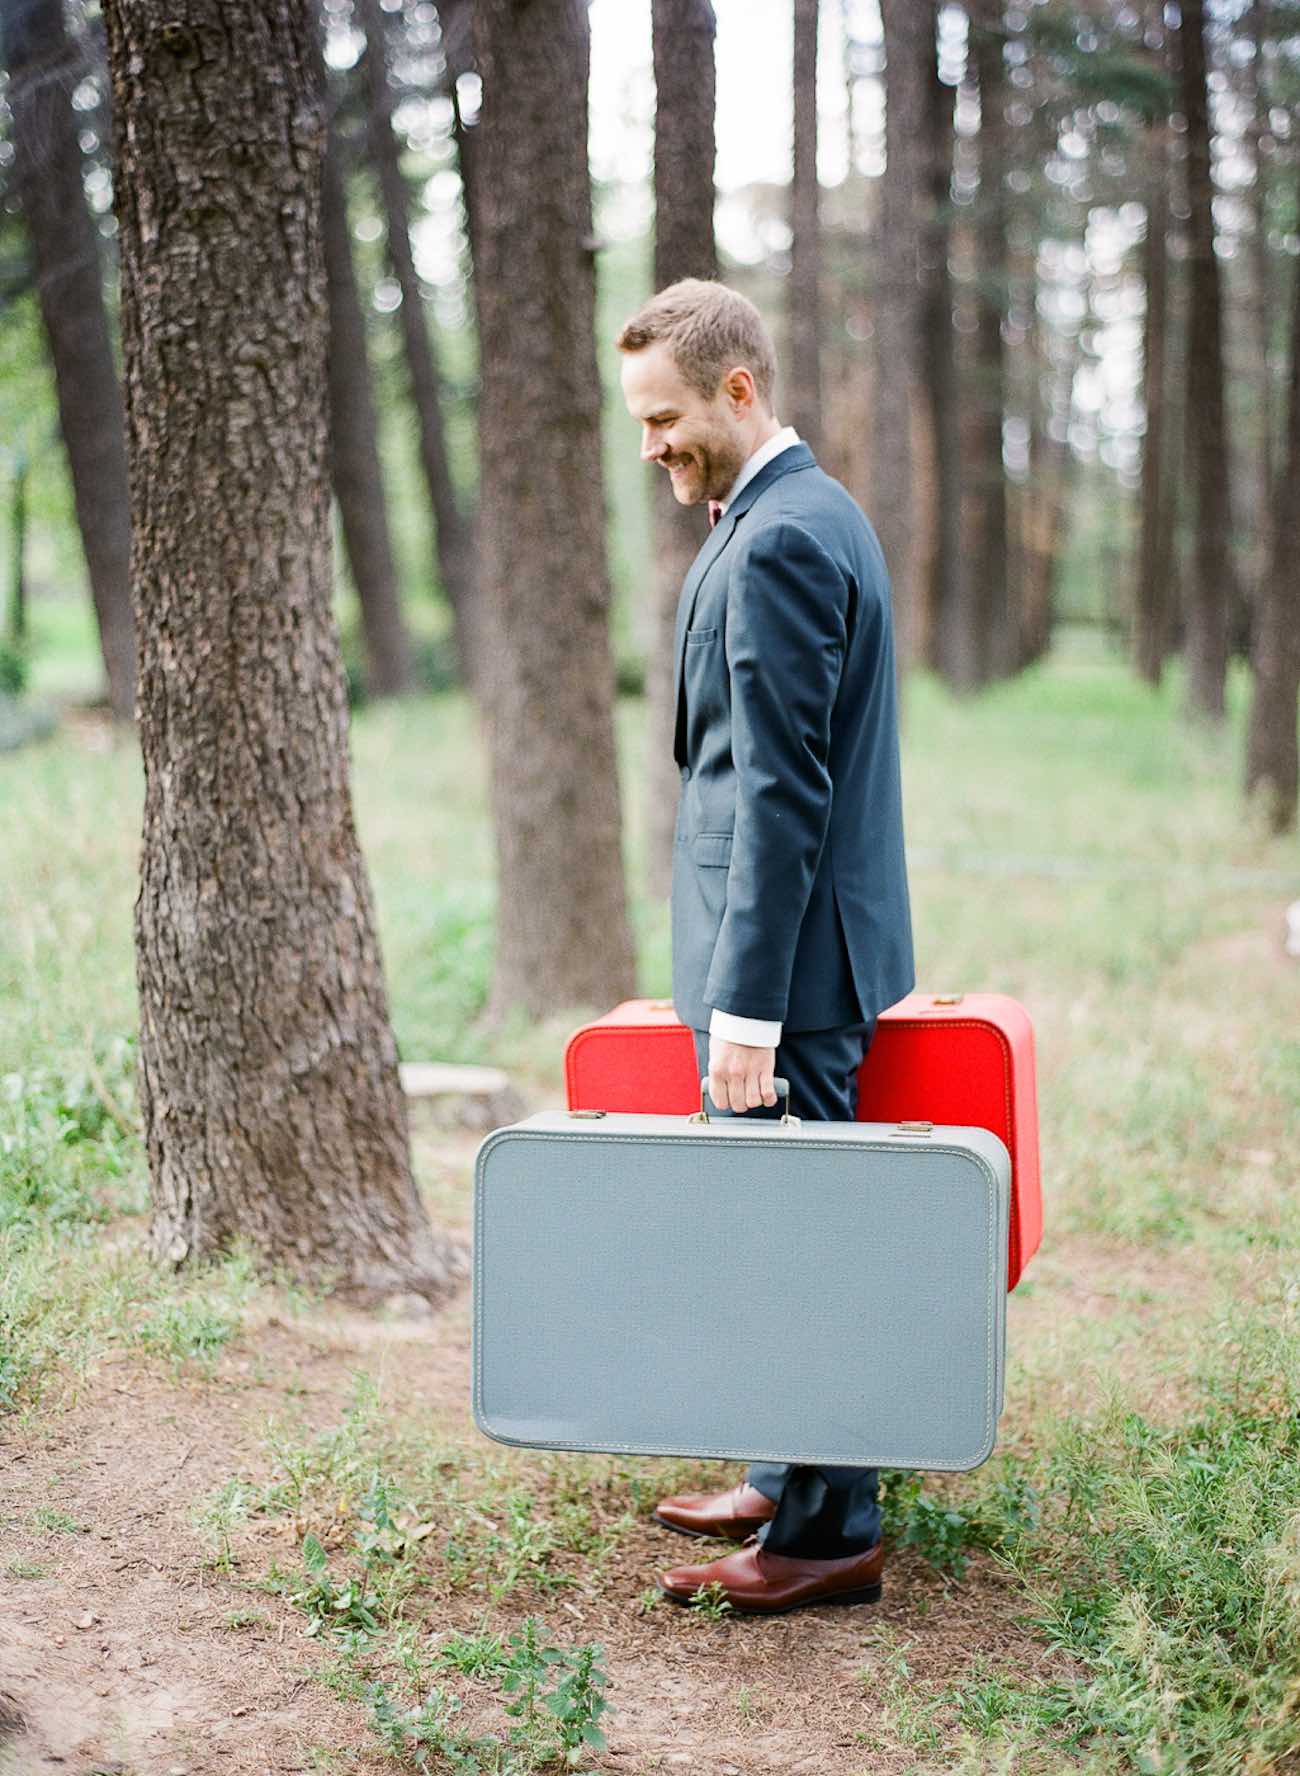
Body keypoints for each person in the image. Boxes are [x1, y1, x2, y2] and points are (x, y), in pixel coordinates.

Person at [615, 278, 916, 1616]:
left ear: (739, 393)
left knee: (797, 1242)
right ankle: (785, 1469)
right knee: (773, 1230)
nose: (652, 448)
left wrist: (745, 1013)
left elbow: (786, 788)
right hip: (784, 957)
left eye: (667, 419)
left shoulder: (790, 536)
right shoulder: (796, 512)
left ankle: (826, 1532)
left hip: (783, 976)